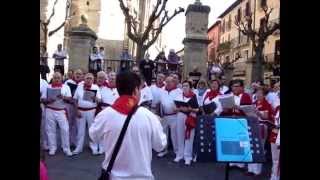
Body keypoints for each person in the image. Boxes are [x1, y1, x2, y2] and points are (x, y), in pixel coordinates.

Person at [89, 71, 167, 180]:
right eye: (140, 89)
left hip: (113, 176)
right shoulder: (150, 117)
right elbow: (160, 146)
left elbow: (93, 135)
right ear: (135, 90)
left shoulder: (104, 115)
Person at [221, 79, 252, 169]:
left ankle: (240, 163)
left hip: (241, 121)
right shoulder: (228, 96)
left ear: (242, 87)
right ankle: (231, 161)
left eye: (237, 86)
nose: (234, 88)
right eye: (233, 86)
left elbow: (248, 110)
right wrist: (225, 109)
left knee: (241, 142)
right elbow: (225, 109)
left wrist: (239, 108)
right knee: (231, 141)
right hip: (230, 119)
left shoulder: (246, 96)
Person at [40, 72, 73, 156]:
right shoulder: (47, 87)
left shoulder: (66, 87)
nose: (57, 79)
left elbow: (70, 98)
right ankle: (52, 148)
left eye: (58, 78)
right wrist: (49, 100)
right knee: (50, 130)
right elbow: (43, 99)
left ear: (61, 78)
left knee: (65, 129)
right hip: (50, 110)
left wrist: (63, 97)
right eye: (55, 78)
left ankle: (66, 148)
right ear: (53, 78)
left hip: (61, 111)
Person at [246, 87, 274, 176]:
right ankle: (250, 169)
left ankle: (257, 171)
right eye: (257, 93)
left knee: (259, 148)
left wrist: (257, 112)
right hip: (252, 126)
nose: (258, 95)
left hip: (261, 127)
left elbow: (266, 117)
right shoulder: (253, 103)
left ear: (264, 95)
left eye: (260, 93)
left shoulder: (266, 104)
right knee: (250, 148)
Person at [73, 73, 102, 155]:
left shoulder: (95, 87)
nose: (89, 80)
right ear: (84, 79)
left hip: (91, 111)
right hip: (80, 111)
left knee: (92, 130)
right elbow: (75, 99)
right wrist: (76, 110)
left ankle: (94, 148)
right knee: (80, 130)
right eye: (87, 78)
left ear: (93, 80)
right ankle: (78, 148)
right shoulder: (79, 87)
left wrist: (95, 98)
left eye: (91, 78)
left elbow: (100, 100)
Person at [174, 80, 199, 165]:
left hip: (190, 117)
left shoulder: (193, 96)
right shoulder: (179, 96)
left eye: (186, 86)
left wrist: (190, 109)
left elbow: (197, 109)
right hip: (180, 116)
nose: (184, 87)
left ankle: (187, 156)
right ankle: (180, 154)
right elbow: (175, 108)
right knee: (179, 135)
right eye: (183, 86)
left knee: (189, 137)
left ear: (190, 87)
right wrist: (179, 108)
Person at [157, 76, 182, 158]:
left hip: (174, 116)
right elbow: (159, 103)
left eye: (170, 81)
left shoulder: (178, 91)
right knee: (164, 134)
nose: (168, 83)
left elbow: (181, 103)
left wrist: (178, 109)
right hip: (164, 116)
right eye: (167, 81)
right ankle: (164, 150)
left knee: (174, 135)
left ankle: (177, 151)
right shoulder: (162, 90)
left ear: (174, 82)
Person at [40, 78, 49, 151]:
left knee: (43, 126)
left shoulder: (44, 82)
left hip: (41, 105)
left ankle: (44, 143)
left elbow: (46, 95)